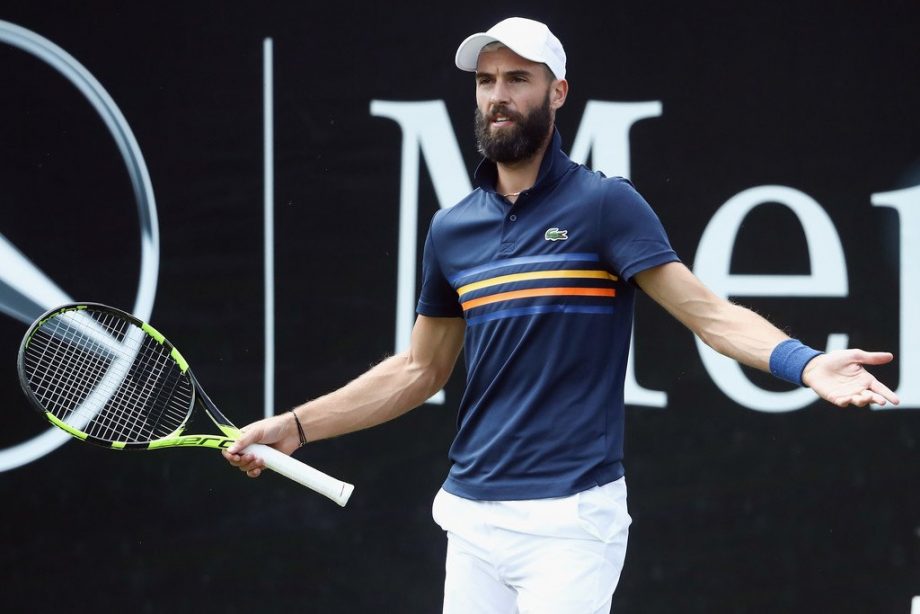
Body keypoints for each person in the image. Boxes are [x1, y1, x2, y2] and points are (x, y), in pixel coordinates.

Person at [224, 16, 899, 613]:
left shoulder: (605, 205)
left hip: (571, 524)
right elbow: (419, 370)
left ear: (557, 93)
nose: (497, 96)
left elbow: (708, 315)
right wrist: (296, 427)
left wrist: (806, 363)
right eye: (486, 81)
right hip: (470, 521)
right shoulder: (451, 230)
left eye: (518, 78)